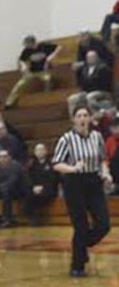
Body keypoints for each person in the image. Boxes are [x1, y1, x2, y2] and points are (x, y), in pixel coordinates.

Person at [53, 105, 114, 277]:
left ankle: (81, 248)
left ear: (89, 119)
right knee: (81, 227)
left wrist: (106, 173)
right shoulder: (66, 139)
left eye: (85, 115)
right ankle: (77, 266)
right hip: (74, 184)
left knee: (103, 224)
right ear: (74, 120)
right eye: (79, 115)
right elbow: (56, 163)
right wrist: (72, 168)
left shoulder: (96, 136)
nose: (82, 118)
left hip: (93, 182)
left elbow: (103, 159)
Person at [5, 35, 61, 108]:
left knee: (48, 79)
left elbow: (59, 47)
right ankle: (9, 102)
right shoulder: (26, 50)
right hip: (32, 72)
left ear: (31, 43)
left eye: (26, 44)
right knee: (20, 84)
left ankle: (47, 98)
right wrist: (23, 65)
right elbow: (21, 59)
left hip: (43, 71)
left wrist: (51, 56)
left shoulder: (43, 46)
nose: (25, 46)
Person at [67, 50, 114, 115]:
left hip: (102, 91)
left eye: (92, 57)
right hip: (88, 91)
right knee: (71, 99)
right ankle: (75, 120)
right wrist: (83, 91)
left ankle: (94, 118)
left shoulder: (103, 68)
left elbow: (104, 84)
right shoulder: (85, 69)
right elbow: (83, 82)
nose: (90, 59)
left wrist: (90, 87)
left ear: (96, 58)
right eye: (88, 58)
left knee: (90, 96)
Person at [24, 143, 60, 226]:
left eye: (41, 149)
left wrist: (43, 187)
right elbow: (28, 178)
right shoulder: (31, 164)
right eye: (37, 150)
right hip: (35, 189)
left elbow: (54, 178)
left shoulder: (52, 163)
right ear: (35, 153)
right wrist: (33, 187)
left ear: (45, 151)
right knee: (27, 196)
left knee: (42, 196)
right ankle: (32, 219)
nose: (39, 152)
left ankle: (38, 216)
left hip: (49, 189)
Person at [106, 117, 119, 194]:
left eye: (116, 127)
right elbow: (105, 156)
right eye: (112, 128)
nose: (114, 130)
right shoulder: (109, 140)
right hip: (112, 170)